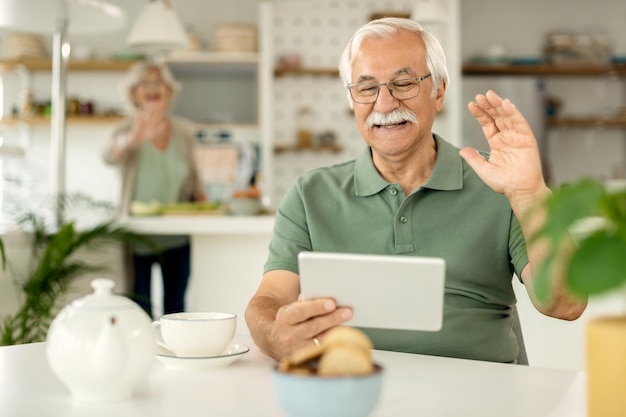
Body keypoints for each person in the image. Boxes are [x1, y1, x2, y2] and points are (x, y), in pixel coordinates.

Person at [245, 18, 588, 363]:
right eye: (366, 88)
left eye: (404, 82)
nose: (384, 103)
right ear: (352, 99)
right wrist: (274, 335)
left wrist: (529, 193)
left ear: (438, 91)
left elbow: (566, 304)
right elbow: (270, 298)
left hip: (481, 395)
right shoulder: (310, 193)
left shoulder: (499, 183)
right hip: (358, 388)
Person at [103, 61, 206, 317]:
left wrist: (204, 201)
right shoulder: (125, 129)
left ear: (170, 91)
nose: (151, 88)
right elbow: (108, 155)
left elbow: (193, 174)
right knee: (139, 309)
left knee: (177, 309)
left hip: (177, 234)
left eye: (158, 81)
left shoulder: (183, 130)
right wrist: (133, 139)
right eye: (144, 83)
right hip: (138, 234)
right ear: (133, 93)